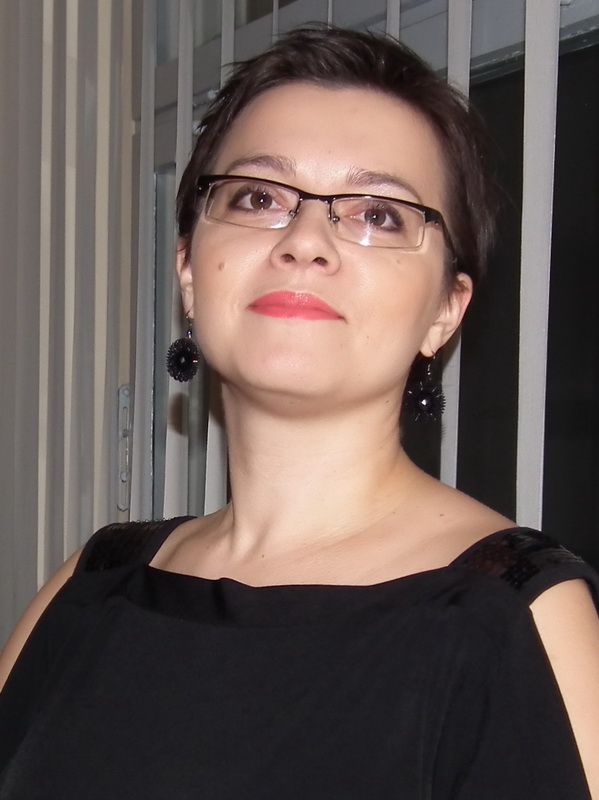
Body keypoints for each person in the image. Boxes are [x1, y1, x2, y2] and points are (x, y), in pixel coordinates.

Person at [1, 26, 598, 799]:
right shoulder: (93, 582)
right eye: (259, 197)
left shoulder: (518, 615)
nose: (305, 241)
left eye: (378, 213)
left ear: (444, 311)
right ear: (189, 272)